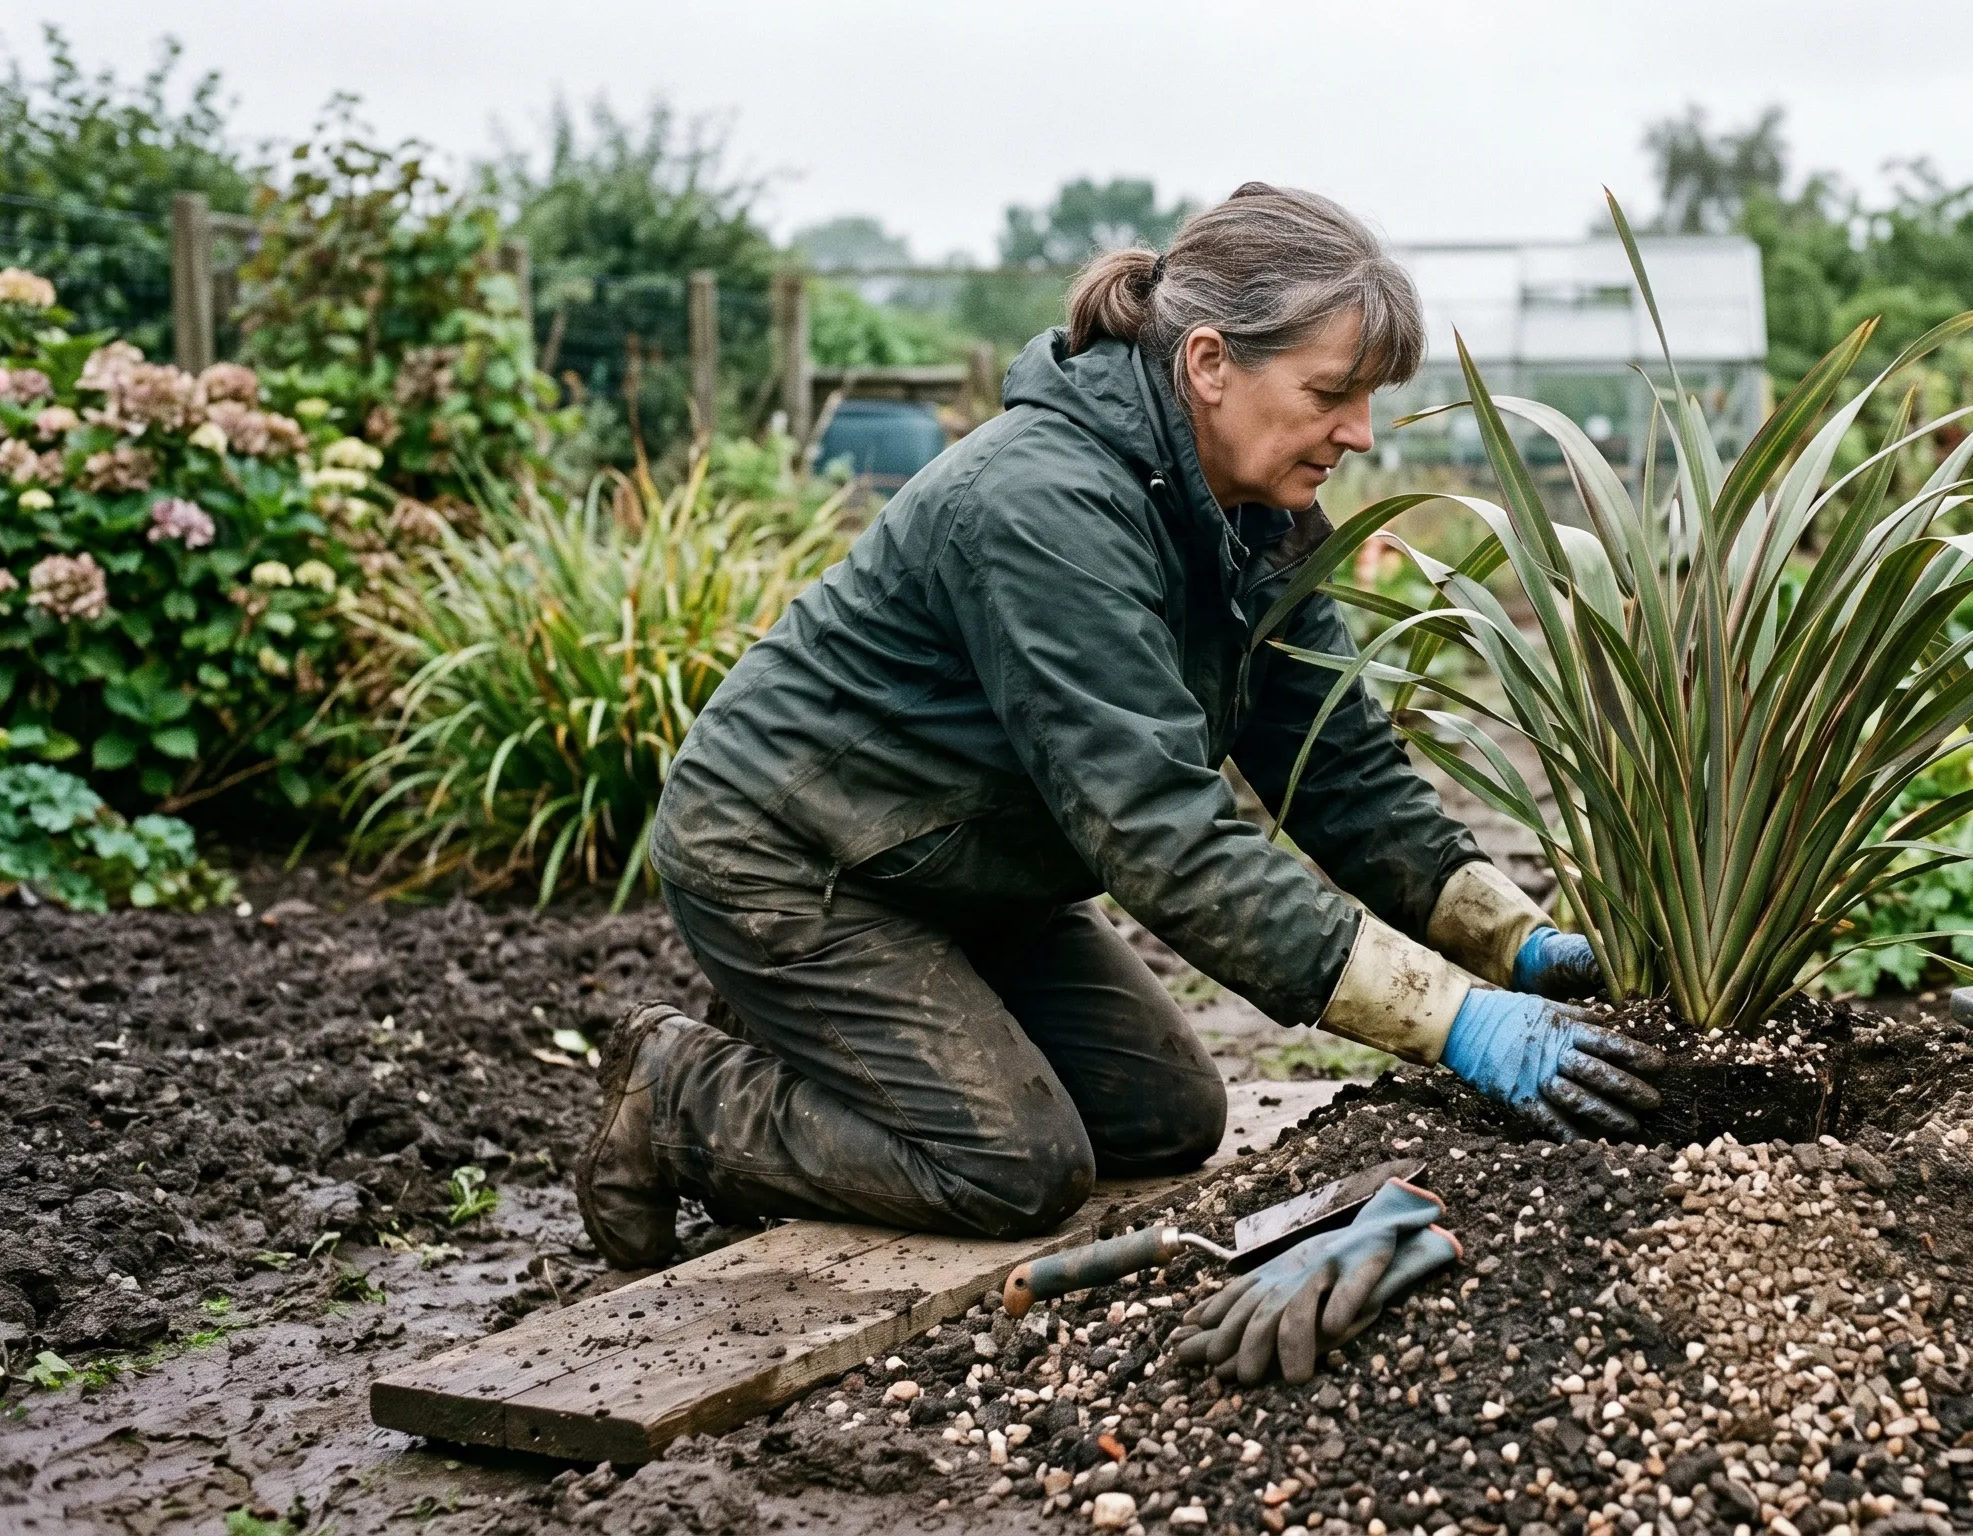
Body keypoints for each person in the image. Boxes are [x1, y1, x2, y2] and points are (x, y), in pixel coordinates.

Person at [577, 183, 1664, 1271]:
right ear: (1209, 363)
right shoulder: (1043, 505)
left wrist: (1516, 944)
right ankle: (676, 1094)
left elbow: (1339, 768)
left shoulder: (1259, 519)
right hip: (798, 854)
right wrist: (1456, 1020)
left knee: (1162, 1117)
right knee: (1011, 1165)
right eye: (1332, 392)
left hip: (963, 860)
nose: (1359, 433)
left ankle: (820, 1042)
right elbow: (1161, 832)